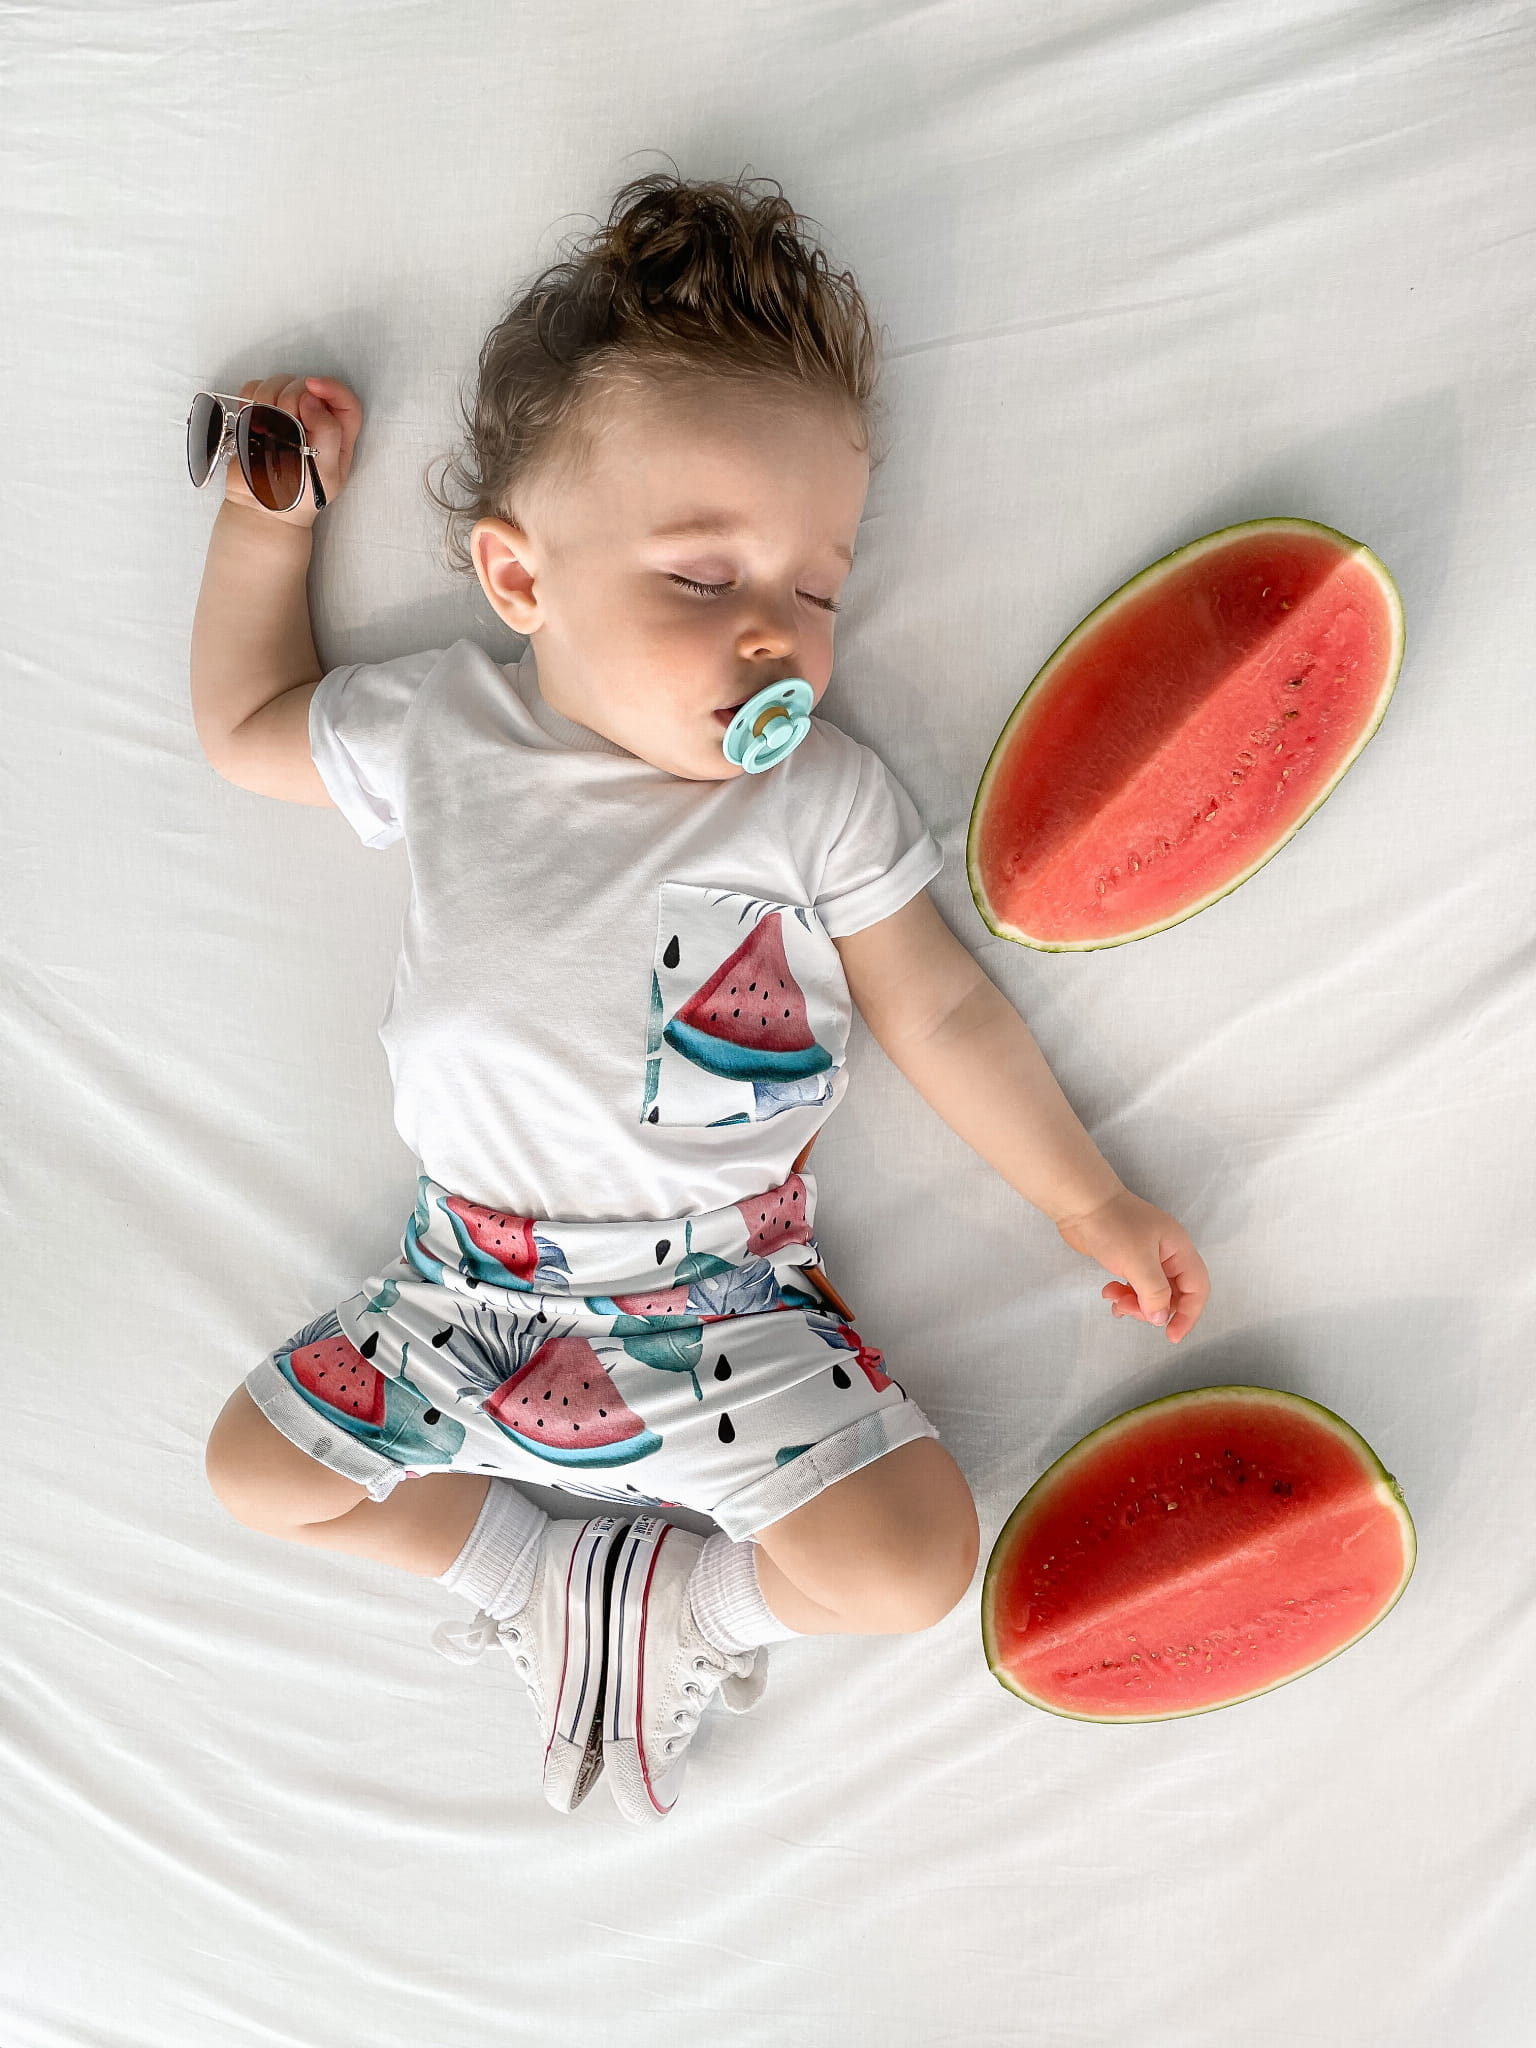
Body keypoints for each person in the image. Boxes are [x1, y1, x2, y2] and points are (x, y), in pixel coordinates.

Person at [193, 168, 1210, 1825]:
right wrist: (267, 523)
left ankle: (691, 1609)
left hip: (725, 1305)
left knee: (910, 1564)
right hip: (460, 1293)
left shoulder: (819, 799)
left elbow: (939, 1012)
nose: (772, 640)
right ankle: (537, 1574)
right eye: (701, 579)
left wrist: (1085, 1197)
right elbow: (250, 725)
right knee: (253, 1473)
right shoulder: (445, 730)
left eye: (815, 589)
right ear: (521, 583)